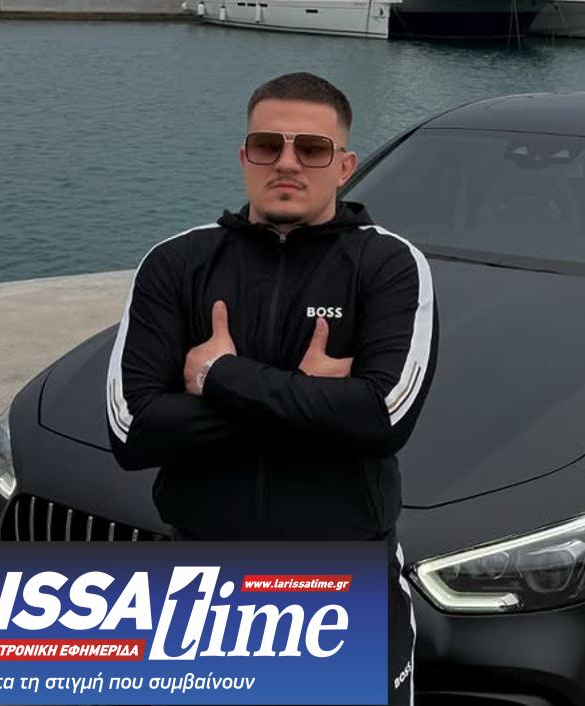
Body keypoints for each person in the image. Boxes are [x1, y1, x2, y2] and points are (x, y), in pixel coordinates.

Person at [104, 72, 437, 706]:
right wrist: (312, 404)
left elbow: (382, 418)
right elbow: (133, 430)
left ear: (344, 167)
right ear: (244, 157)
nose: (287, 162)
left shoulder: (388, 265)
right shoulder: (176, 264)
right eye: (267, 145)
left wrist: (220, 377)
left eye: (311, 149)